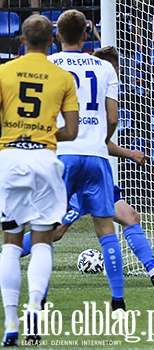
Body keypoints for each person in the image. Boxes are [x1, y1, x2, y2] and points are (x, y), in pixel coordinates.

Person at [18, 46, 154, 288]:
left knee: (129, 216)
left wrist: (126, 153)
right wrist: (129, 153)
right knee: (54, 231)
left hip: (91, 171)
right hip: (82, 170)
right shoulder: (95, 95)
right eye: (117, 68)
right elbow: (99, 137)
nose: (118, 73)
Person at [0, 15, 79, 346]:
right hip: (45, 158)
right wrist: (44, 134)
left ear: (21, 40)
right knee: (43, 239)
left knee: (10, 241)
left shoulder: (3, 73)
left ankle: (10, 322)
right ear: (51, 41)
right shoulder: (62, 77)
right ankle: (35, 306)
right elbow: (72, 132)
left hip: (10, 157)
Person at [48, 10, 126, 313]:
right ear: (85, 35)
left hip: (61, 154)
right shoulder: (105, 67)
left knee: (47, 229)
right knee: (106, 229)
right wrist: (101, 140)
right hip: (96, 155)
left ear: (57, 36)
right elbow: (112, 117)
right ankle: (118, 300)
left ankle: (38, 300)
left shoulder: (49, 65)